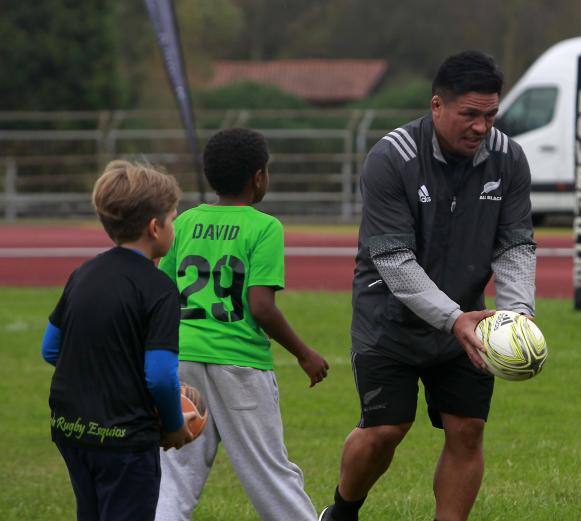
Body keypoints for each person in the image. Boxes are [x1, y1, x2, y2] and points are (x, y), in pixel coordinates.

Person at [320, 50, 537, 521]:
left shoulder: (508, 158)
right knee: (386, 429)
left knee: (468, 430)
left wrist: (517, 315)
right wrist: (452, 317)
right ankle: (341, 512)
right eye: (470, 115)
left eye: (491, 115)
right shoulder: (391, 158)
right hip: (389, 321)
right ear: (437, 106)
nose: (482, 127)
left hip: (468, 320)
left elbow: (516, 245)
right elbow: (395, 260)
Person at [154, 127, 330, 521]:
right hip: (240, 364)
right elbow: (262, 306)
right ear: (258, 177)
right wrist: (305, 353)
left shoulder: (183, 223)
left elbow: (161, 291)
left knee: (176, 476)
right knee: (268, 471)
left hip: (182, 360)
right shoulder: (264, 227)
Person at [43, 160, 193, 521]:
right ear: (155, 227)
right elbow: (159, 375)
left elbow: (50, 348)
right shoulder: (159, 289)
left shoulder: (84, 273)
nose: (174, 227)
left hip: (70, 428)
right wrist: (174, 425)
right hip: (124, 438)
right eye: (173, 219)